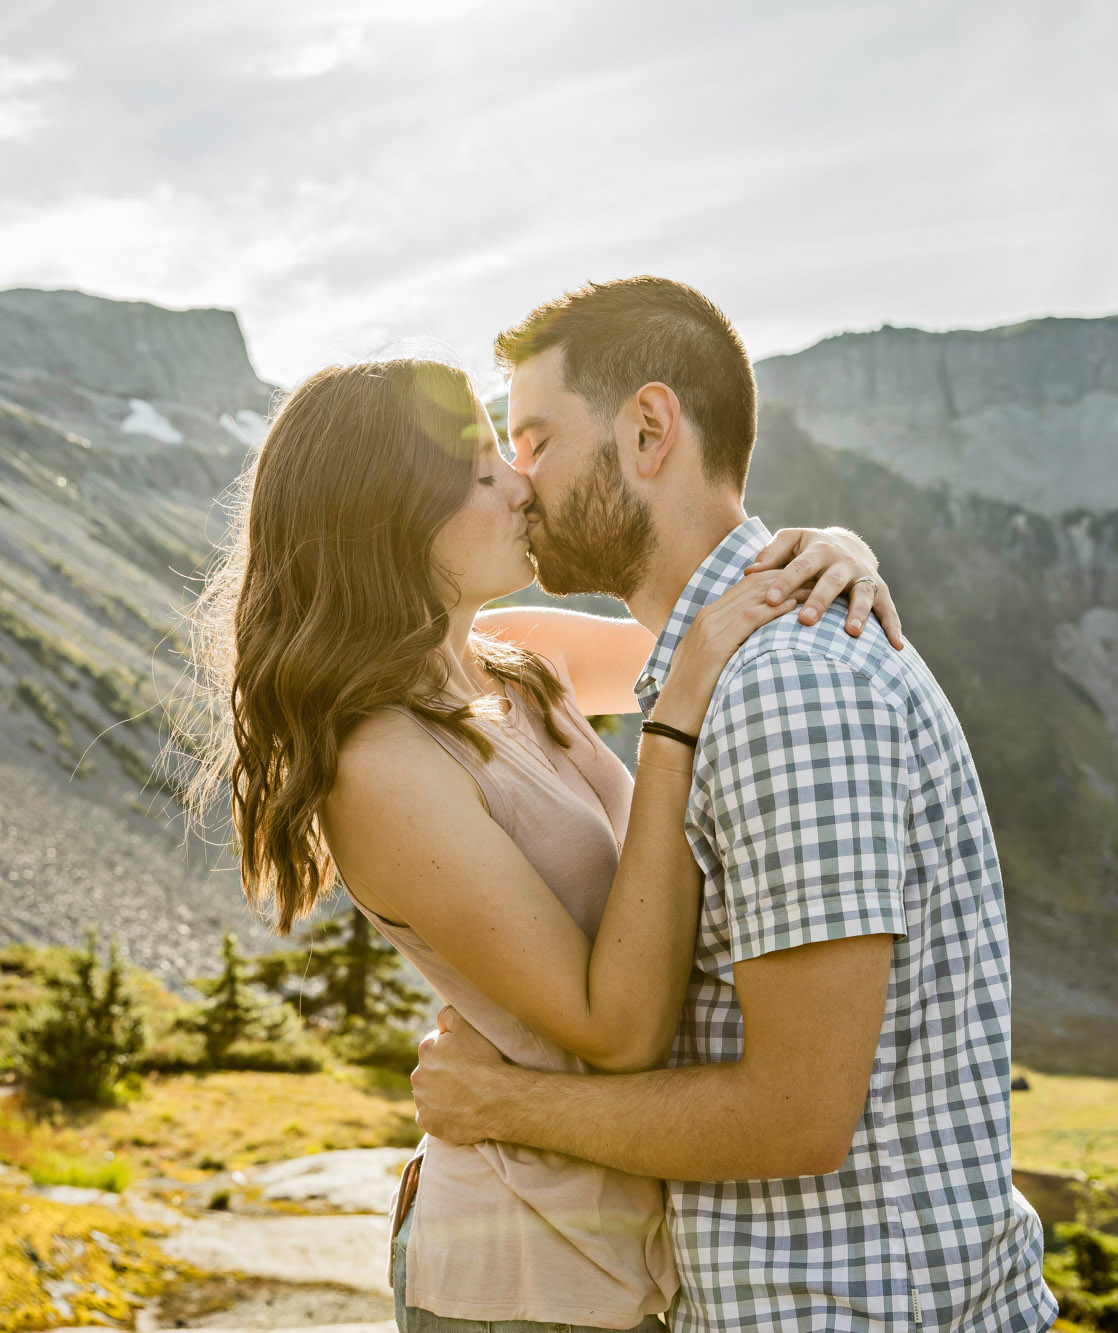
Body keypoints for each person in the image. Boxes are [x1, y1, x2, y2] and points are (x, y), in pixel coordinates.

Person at [195, 352, 899, 1331]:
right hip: (520, 1277)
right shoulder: (383, 765)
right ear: (390, 516)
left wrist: (832, 548)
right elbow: (612, 1027)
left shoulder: (517, 661)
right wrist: (669, 732)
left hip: (628, 1256)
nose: (522, 486)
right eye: (482, 473)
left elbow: (731, 634)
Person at [409, 277, 1058, 1332]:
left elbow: (795, 1114)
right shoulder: (727, 660)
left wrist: (499, 1106)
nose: (519, 484)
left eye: (533, 440)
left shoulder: (782, 687)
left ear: (648, 429)